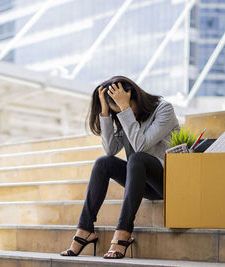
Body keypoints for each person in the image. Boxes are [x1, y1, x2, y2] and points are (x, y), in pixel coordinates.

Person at [60, 75, 179, 259]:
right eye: (117, 110)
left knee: (137, 158)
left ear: (132, 95)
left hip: (166, 181)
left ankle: (124, 232)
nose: (122, 114)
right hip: (141, 181)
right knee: (103, 162)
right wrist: (107, 114)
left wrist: (124, 109)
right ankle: (85, 230)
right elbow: (110, 150)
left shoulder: (164, 109)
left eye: (123, 106)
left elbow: (141, 145)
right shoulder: (123, 116)